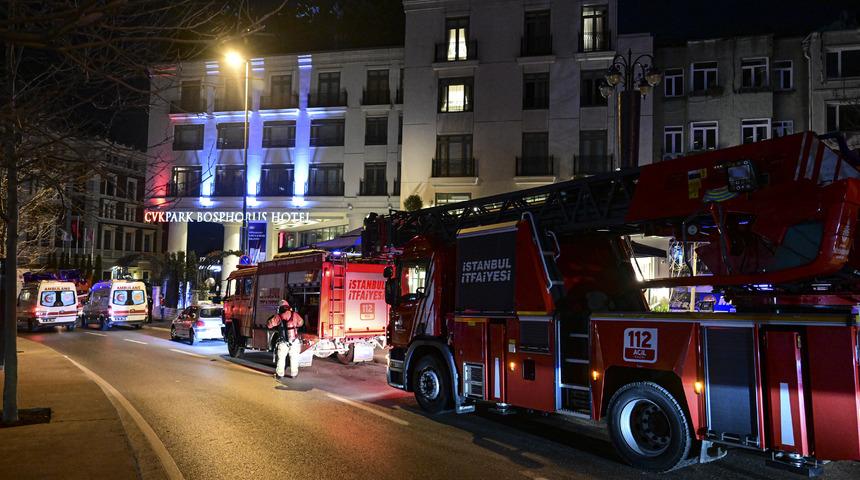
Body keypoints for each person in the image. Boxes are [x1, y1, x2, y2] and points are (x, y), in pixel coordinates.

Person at [266, 299, 305, 379]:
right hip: (294, 341)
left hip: (283, 341)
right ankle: (294, 374)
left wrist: (271, 319)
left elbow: (269, 325)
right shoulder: (295, 314)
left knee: (281, 358)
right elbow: (301, 323)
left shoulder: (278, 316)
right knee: (294, 358)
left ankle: (280, 374)